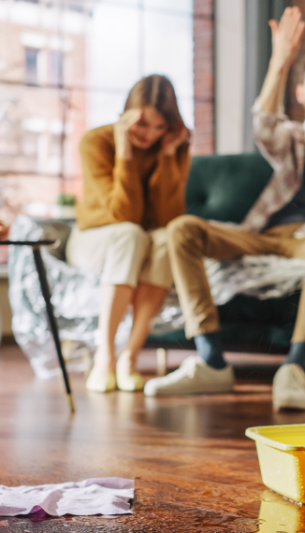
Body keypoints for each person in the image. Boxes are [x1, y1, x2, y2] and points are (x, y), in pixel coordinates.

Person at [144, 7, 305, 410]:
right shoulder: (292, 138)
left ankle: (294, 367)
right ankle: (211, 359)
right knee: (182, 229)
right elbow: (264, 123)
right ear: (301, 93)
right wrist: (280, 61)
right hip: (263, 235)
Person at [67, 74, 191, 393]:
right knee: (130, 234)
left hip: (142, 241)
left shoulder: (172, 147)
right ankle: (105, 357)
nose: (149, 135)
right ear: (125, 116)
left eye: (159, 126)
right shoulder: (95, 142)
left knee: (167, 239)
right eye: (142, 124)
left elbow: (168, 218)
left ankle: (129, 358)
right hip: (94, 241)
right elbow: (125, 215)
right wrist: (124, 152)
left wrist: (166, 157)